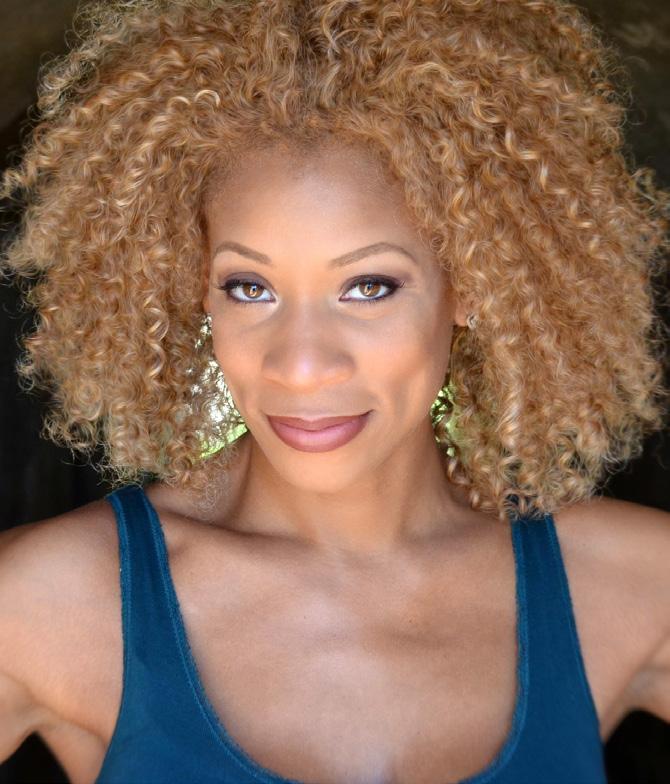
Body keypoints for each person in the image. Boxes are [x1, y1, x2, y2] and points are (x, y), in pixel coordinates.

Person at [1, 0, 669, 782]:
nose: (302, 366)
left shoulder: (630, 587)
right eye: (249, 287)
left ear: (474, 283)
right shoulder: (51, 604)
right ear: (193, 285)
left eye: (369, 286)